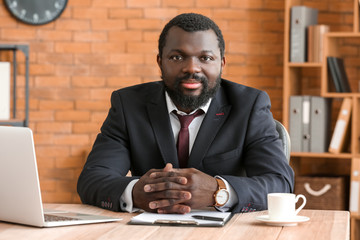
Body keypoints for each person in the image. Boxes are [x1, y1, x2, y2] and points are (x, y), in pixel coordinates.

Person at [77, 13, 294, 214]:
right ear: (159, 61)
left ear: (222, 63)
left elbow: (280, 184)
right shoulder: (128, 105)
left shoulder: (249, 106)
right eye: (177, 57)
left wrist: (218, 191)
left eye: (206, 58)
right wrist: (134, 191)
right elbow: (92, 179)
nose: (192, 68)